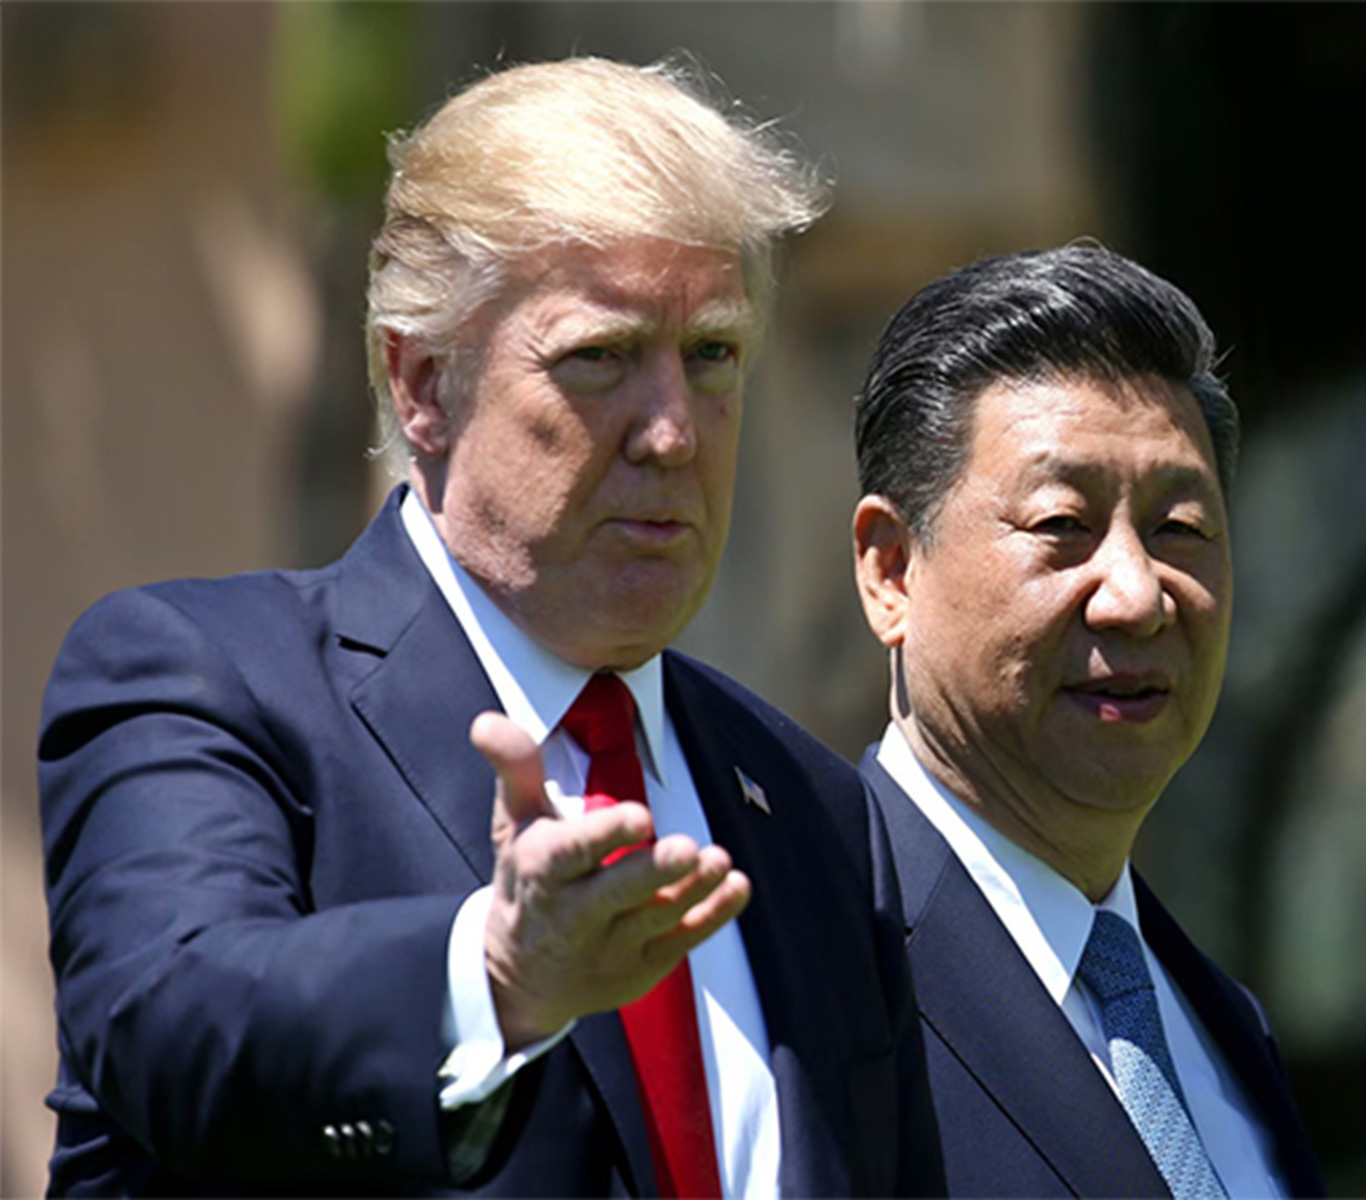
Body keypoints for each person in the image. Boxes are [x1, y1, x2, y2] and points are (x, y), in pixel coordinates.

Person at [39, 57, 941, 1198]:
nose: (673, 433)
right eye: (599, 358)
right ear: (423, 383)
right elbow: (171, 1026)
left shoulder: (813, 806)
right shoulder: (201, 678)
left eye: (710, 353)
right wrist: (492, 978)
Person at [850, 244, 1325, 1198]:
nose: (1137, 595)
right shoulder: (802, 975)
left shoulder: (1220, 1028)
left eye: (1179, 529)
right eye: (1063, 524)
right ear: (892, 571)